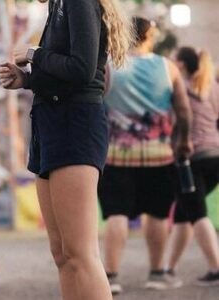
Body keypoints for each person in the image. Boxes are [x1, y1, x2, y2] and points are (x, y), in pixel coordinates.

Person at [0, 0, 131, 299]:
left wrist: (35, 54)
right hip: (52, 122)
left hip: (75, 123)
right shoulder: (60, 4)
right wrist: (28, 80)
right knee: (63, 254)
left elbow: (83, 69)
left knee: (81, 254)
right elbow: (67, 71)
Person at [98, 17, 192, 294]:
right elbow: (184, 112)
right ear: (150, 35)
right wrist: (183, 141)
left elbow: (96, 106)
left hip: (116, 154)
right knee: (158, 215)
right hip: (159, 155)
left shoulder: (109, 67)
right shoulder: (169, 67)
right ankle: (157, 272)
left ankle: (112, 276)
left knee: (117, 214)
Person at [166, 47, 219, 286]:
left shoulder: (180, 89)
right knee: (183, 213)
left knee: (196, 212)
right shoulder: (212, 87)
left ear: (182, 66)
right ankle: (168, 268)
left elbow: (173, 122)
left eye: (174, 60)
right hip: (215, 156)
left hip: (191, 158)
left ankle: (216, 267)